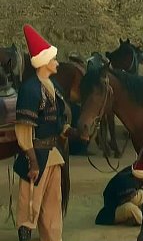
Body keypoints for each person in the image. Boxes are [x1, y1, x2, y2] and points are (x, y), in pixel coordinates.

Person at [14, 24, 78, 241]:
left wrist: (72, 132)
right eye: (53, 59)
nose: (57, 63)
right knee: (29, 207)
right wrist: (32, 162)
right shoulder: (30, 90)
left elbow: (58, 122)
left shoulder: (54, 87)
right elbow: (24, 130)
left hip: (53, 155)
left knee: (52, 208)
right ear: (43, 62)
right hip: (36, 157)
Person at [95, 162, 143, 226]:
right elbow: (133, 200)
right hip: (116, 207)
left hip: (136, 202)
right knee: (131, 208)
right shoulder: (125, 181)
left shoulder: (140, 173)